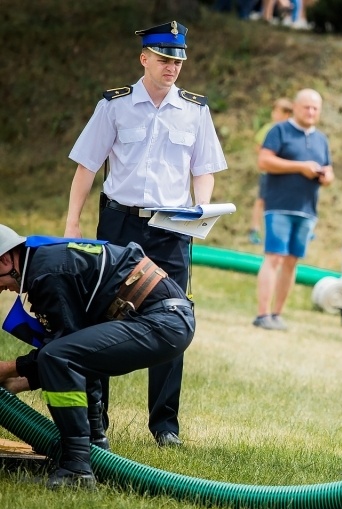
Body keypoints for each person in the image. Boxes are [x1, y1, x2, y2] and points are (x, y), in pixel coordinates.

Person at [64, 21, 226, 447]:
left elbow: (203, 170)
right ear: (144, 59)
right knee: (100, 314)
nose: (172, 67)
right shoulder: (115, 105)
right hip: (119, 222)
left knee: (173, 317)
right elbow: (87, 167)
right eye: (164, 59)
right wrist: (72, 224)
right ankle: (97, 418)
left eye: (177, 60)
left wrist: (199, 208)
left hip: (170, 227)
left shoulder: (195, 109)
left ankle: (165, 425)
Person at [0, 224, 195, 489]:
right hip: (166, 318)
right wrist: (19, 379)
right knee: (69, 356)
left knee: (59, 357)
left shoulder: (46, 273)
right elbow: (75, 349)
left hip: (164, 321)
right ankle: (94, 452)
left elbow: (59, 355)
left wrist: (10, 369)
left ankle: (76, 469)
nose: (1, 289)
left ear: (5, 259)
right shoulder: (44, 261)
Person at [254, 88, 334, 330]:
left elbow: (329, 171)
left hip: (307, 210)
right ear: (296, 107)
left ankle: (277, 314)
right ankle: (262, 315)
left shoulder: (322, 139)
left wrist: (326, 176)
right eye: (306, 107)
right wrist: (300, 167)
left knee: (291, 262)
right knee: (274, 258)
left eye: (315, 108)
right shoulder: (279, 131)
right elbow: (264, 161)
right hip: (279, 206)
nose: (310, 112)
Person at [249, 97, 294, 244]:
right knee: (261, 200)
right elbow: (258, 146)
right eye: (274, 111)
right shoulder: (269, 128)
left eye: (277, 112)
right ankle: (254, 229)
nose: (274, 114)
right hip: (268, 174)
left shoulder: (290, 131)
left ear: (287, 114)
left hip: (284, 176)